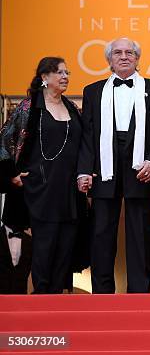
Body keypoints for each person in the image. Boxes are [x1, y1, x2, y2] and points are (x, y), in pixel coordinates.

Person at [77, 38, 150, 293]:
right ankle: (102, 295)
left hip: (142, 167)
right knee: (101, 234)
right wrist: (84, 170)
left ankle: (139, 295)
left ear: (137, 58)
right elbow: (87, 135)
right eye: (117, 53)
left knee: (141, 234)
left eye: (129, 52)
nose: (124, 57)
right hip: (103, 167)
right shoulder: (92, 91)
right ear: (109, 60)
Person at [0, 57, 82, 293]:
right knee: (45, 248)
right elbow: (4, 141)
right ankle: (43, 301)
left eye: (67, 72)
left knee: (66, 248)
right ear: (44, 77)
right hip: (40, 188)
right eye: (59, 72)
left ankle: (57, 302)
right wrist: (11, 175)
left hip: (69, 189)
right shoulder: (28, 107)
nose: (65, 76)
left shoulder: (73, 109)